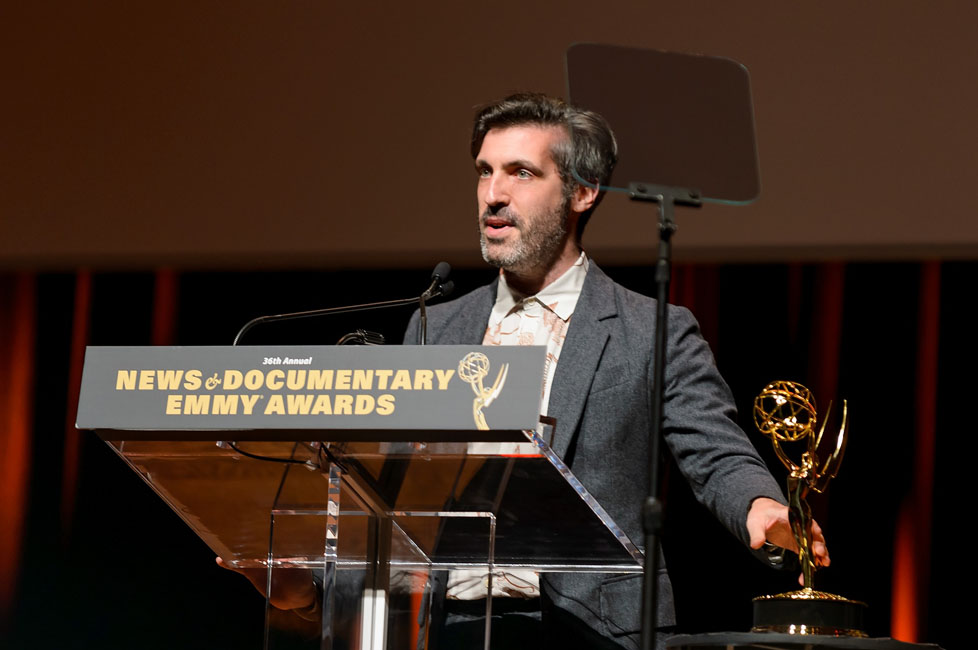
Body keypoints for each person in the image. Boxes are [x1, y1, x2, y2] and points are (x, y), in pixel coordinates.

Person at [222, 92, 829, 649]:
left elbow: (717, 455)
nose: (493, 194)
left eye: (521, 172)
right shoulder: (437, 326)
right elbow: (391, 500)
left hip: (592, 631)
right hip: (451, 627)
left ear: (583, 192)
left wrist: (764, 510)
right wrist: (312, 585)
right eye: (485, 171)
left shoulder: (653, 330)